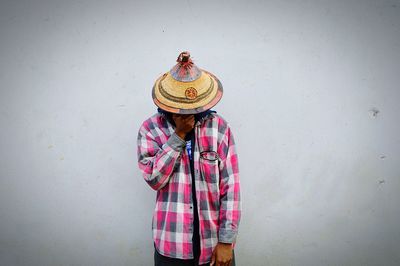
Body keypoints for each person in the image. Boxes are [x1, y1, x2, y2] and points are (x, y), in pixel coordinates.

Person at [137, 51, 241, 266]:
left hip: (213, 246)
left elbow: (231, 187)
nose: (187, 111)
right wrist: (179, 135)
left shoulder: (219, 128)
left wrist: (226, 242)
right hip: (171, 246)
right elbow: (154, 179)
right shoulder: (151, 129)